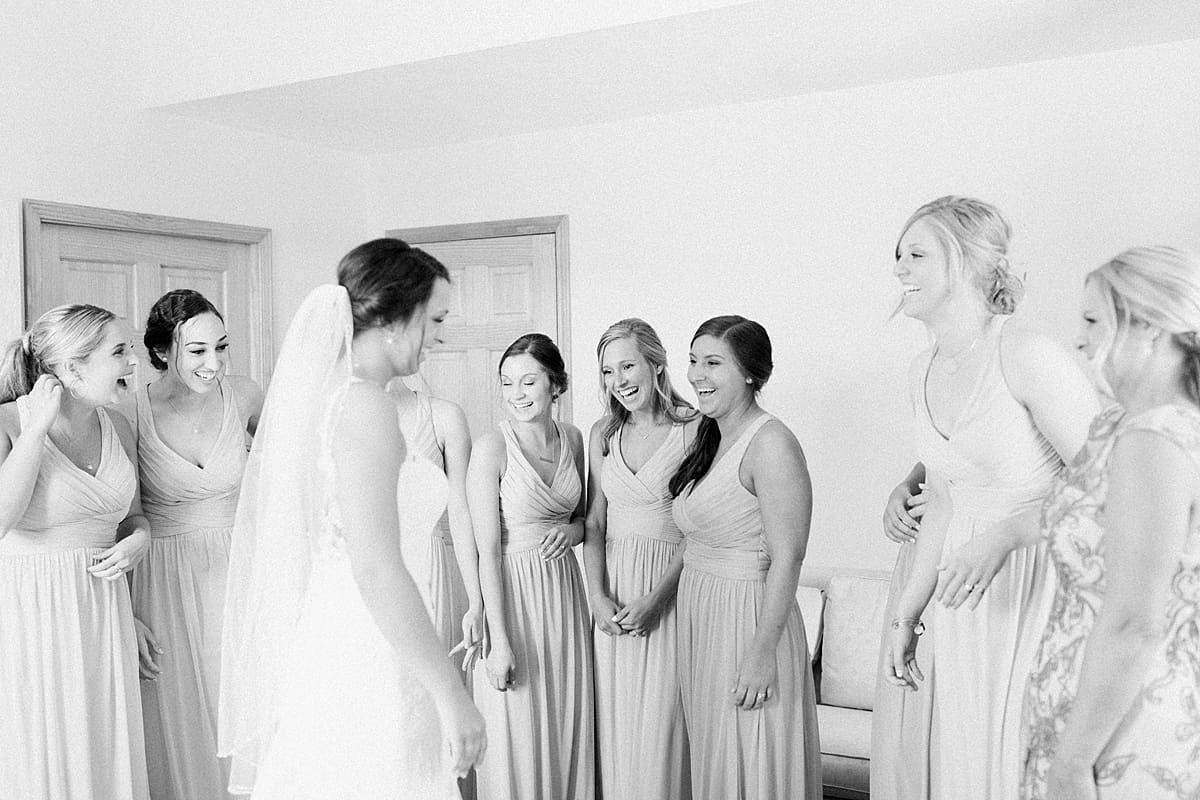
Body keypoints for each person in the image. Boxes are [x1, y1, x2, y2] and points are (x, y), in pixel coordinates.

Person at [219, 238, 486, 799]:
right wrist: (451, 694)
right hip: (369, 646)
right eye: (435, 319)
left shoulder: (326, 396)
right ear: (396, 317)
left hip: (340, 628)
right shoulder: (364, 404)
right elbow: (376, 567)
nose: (440, 336)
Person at [877, 196, 1099, 799]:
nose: (899, 268)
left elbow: (1110, 486)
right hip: (967, 600)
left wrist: (1005, 536)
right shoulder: (919, 370)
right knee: (969, 773)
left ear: (970, 262)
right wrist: (908, 613)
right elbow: (944, 502)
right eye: (898, 255)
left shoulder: (1027, 354)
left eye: (916, 254)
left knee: (1023, 769)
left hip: (1042, 586)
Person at [1021, 246, 1200, 799]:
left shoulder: (1155, 439)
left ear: (1147, 327)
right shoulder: (1134, 428)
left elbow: (1133, 621)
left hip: (1117, 733)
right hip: (1098, 714)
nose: (1079, 339)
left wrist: (1074, 763)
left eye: (1094, 321)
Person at [0, 304, 151, 799]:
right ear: (71, 368)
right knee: (44, 756)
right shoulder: (9, 424)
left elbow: (130, 518)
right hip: (32, 618)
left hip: (103, 614)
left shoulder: (120, 427)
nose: (132, 362)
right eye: (119, 352)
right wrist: (37, 429)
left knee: (103, 752)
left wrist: (140, 540)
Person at [668, 315, 822, 799]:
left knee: (754, 757)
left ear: (752, 373)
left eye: (713, 363)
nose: (696, 375)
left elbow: (789, 556)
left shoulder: (771, 442)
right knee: (717, 760)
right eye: (693, 361)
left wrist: (761, 654)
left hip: (748, 620)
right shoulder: (710, 436)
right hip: (703, 619)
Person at [128, 289, 263, 800]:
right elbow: (124, 515)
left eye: (221, 348)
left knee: (245, 699)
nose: (215, 364)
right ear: (163, 352)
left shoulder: (246, 395)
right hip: (163, 578)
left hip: (238, 568)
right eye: (198, 351)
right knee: (178, 713)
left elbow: (295, 468)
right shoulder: (130, 410)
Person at [468, 332, 595, 799]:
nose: (516, 394)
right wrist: (499, 642)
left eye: (528, 382)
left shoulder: (575, 439)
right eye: (507, 383)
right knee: (516, 735)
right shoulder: (491, 448)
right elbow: (487, 550)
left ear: (556, 384)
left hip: (564, 598)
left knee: (564, 725)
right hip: (513, 598)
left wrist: (574, 532)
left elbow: (583, 520)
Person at [583, 318, 697, 800]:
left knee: (662, 735)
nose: (618, 382)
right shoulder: (602, 433)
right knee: (617, 729)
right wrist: (596, 597)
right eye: (608, 372)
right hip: (613, 595)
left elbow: (700, 529)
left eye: (627, 366)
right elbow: (593, 524)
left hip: (669, 593)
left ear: (656, 363)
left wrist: (655, 599)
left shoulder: (695, 428)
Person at [387, 375, 483, 676]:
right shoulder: (336, 416)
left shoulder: (443, 416)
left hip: (427, 571)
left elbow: (461, 512)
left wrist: (477, 603)